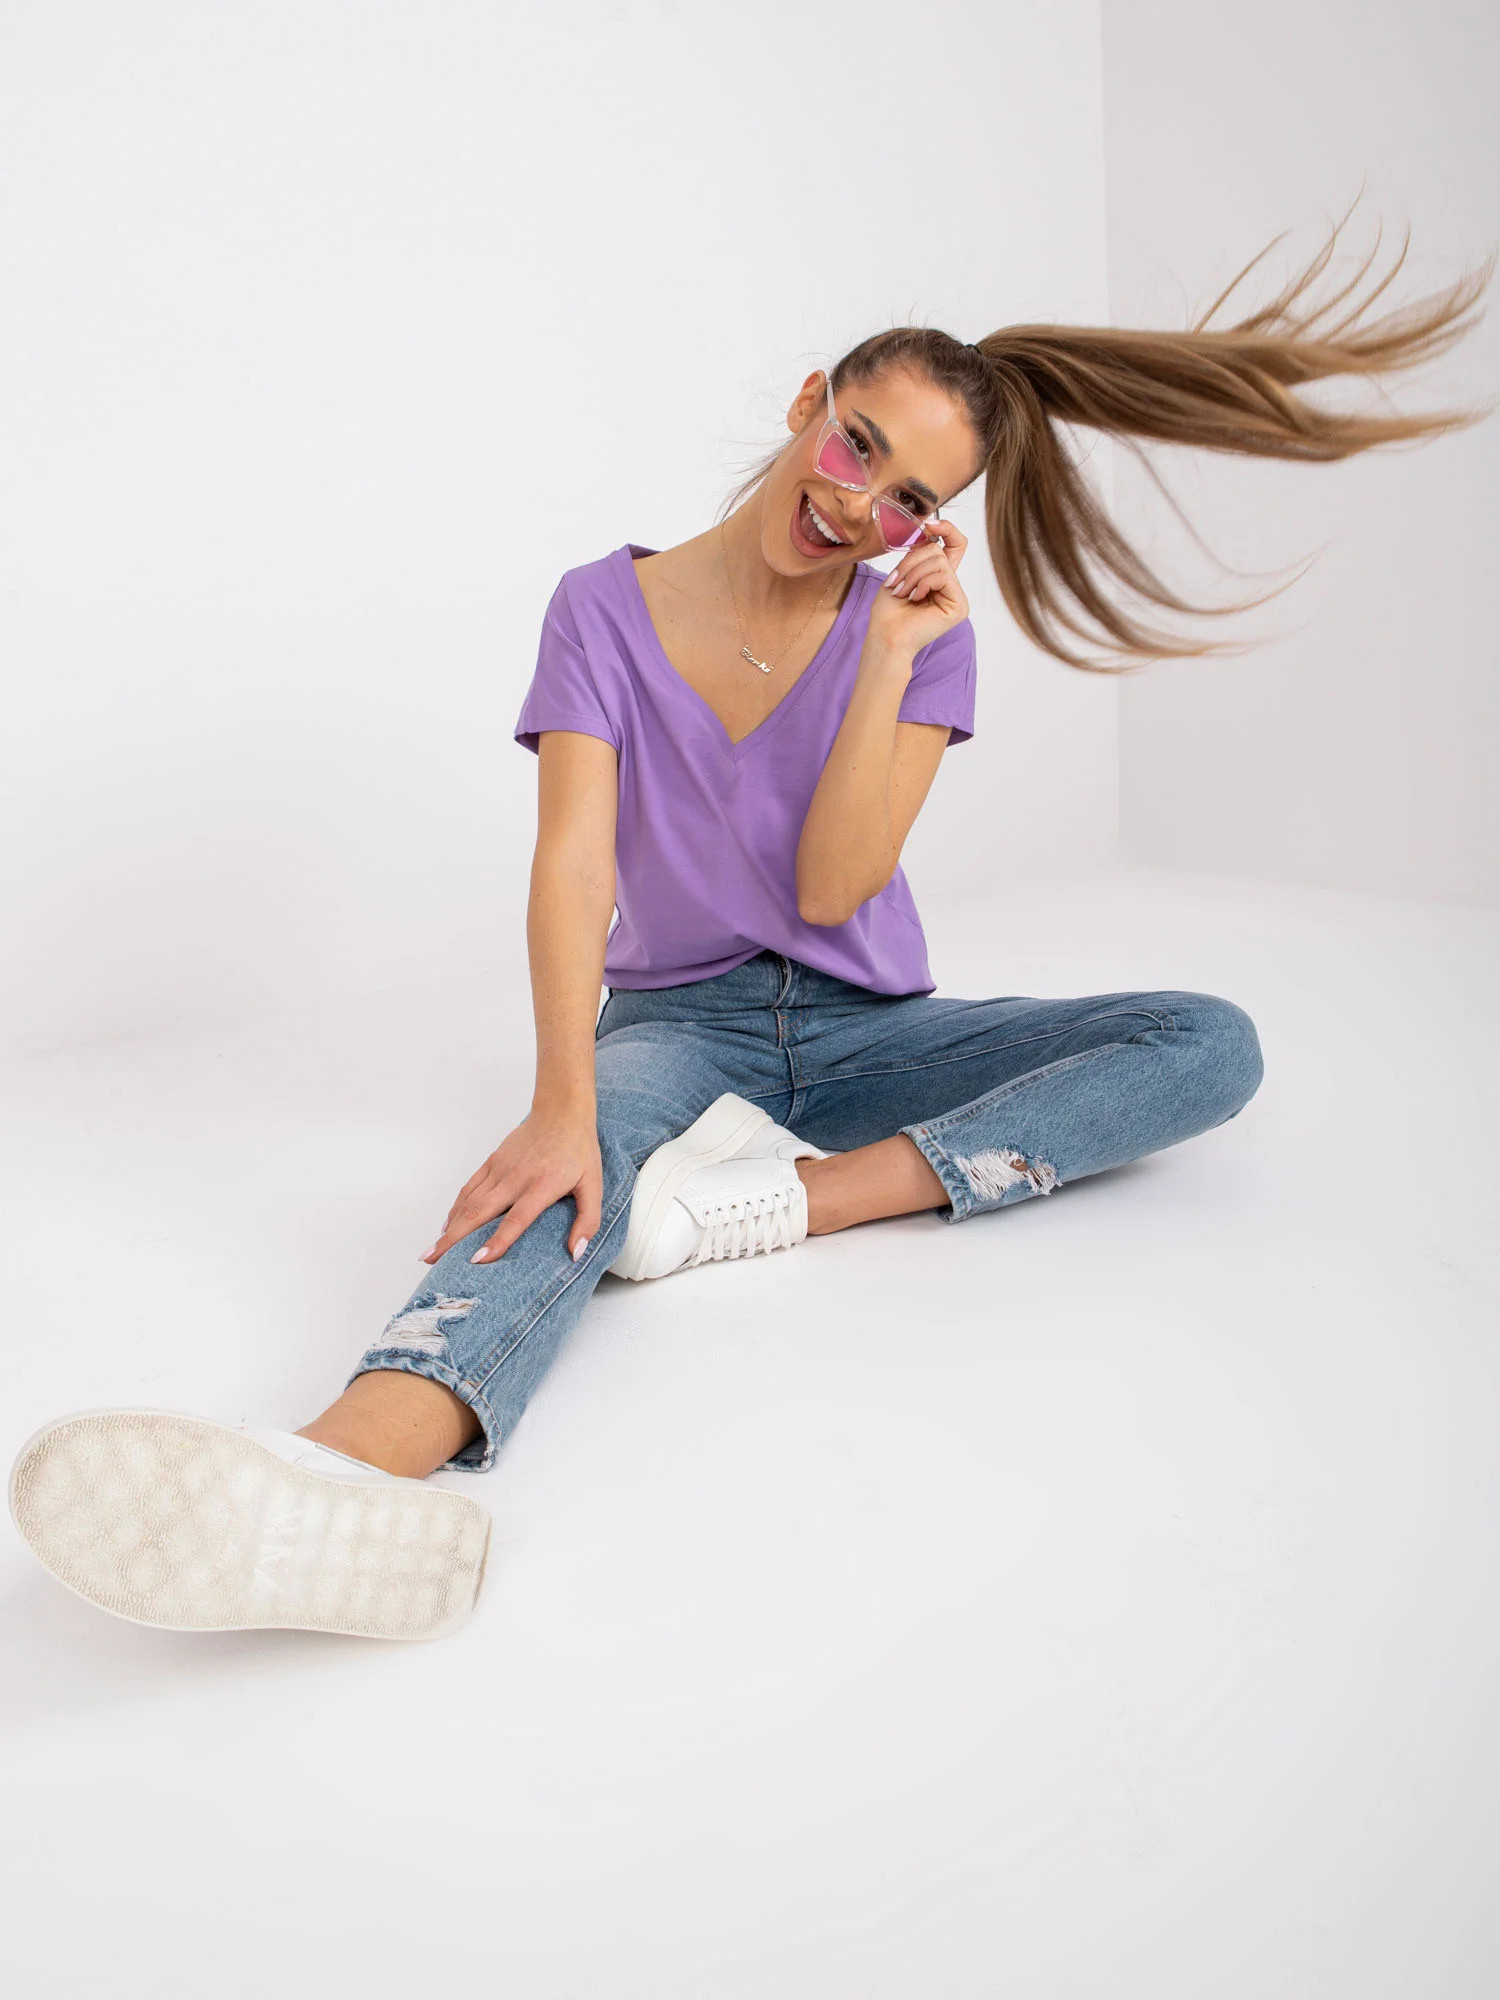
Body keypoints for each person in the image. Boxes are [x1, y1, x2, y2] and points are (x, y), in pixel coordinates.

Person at [9, 216, 1488, 1643]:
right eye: (857, 445)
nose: (858, 504)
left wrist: (887, 653)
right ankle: (336, 1471)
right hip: (679, 1028)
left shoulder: (921, 637)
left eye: (907, 499)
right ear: (807, 403)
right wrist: (563, 1101)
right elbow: (573, 865)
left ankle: (785, 1202)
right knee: (564, 1180)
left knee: (1205, 1043)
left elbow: (836, 888)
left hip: (871, 1036)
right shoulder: (600, 609)